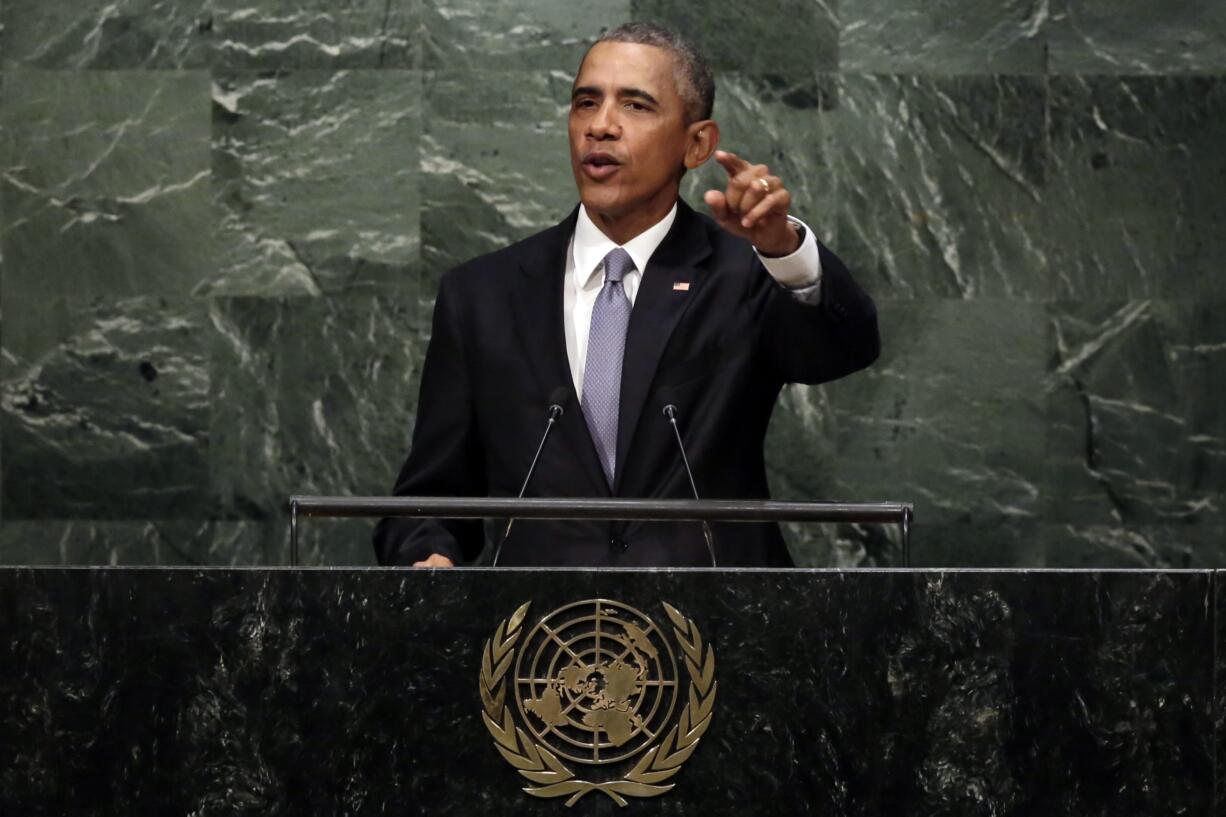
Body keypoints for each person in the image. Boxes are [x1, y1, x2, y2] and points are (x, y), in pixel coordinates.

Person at [373, 22, 879, 568]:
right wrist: (427, 555)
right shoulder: (482, 295)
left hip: (722, 629)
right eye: (586, 102)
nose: (601, 126)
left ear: (696, 144)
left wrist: (782, 249)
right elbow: (431, 496)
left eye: (635, 106)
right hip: (541, 637)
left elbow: (844, 349)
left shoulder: (745, 276)